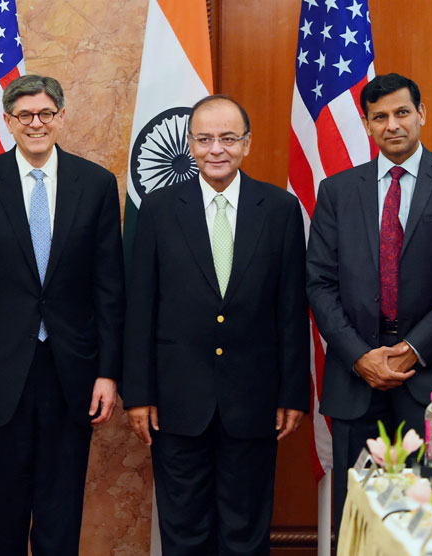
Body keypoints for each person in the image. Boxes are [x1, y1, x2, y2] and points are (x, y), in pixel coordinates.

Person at [123, 94, 310, 555]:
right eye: (205, 139)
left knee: (245, 534)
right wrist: (139, 394)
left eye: (228, 138)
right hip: (176, 403)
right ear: (190, 145)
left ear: (247, 143)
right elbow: (141, 306)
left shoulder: (280, 209)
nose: (216, 149)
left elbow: (291, 308)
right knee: (184, 533)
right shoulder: (158, 209)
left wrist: (292, 393)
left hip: (254, 402)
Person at [306, 73, 432, 536]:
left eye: (402, 112)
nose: (392, 125)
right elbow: (319, 283)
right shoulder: (337, 191)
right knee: (360, 522)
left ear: (421, 114)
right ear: (366, 124)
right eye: (380, 117)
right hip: (356, 378)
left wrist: (412, 349)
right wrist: (360, 356)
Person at [0, 74, 124, 556]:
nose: (36, 123)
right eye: (24, 115)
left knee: (60, 516)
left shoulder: (96, 184)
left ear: (61, 117)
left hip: (73, 373)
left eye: (46, 113)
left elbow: (110, 289)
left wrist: (108, 372)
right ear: (8, 122)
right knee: (2, 516)